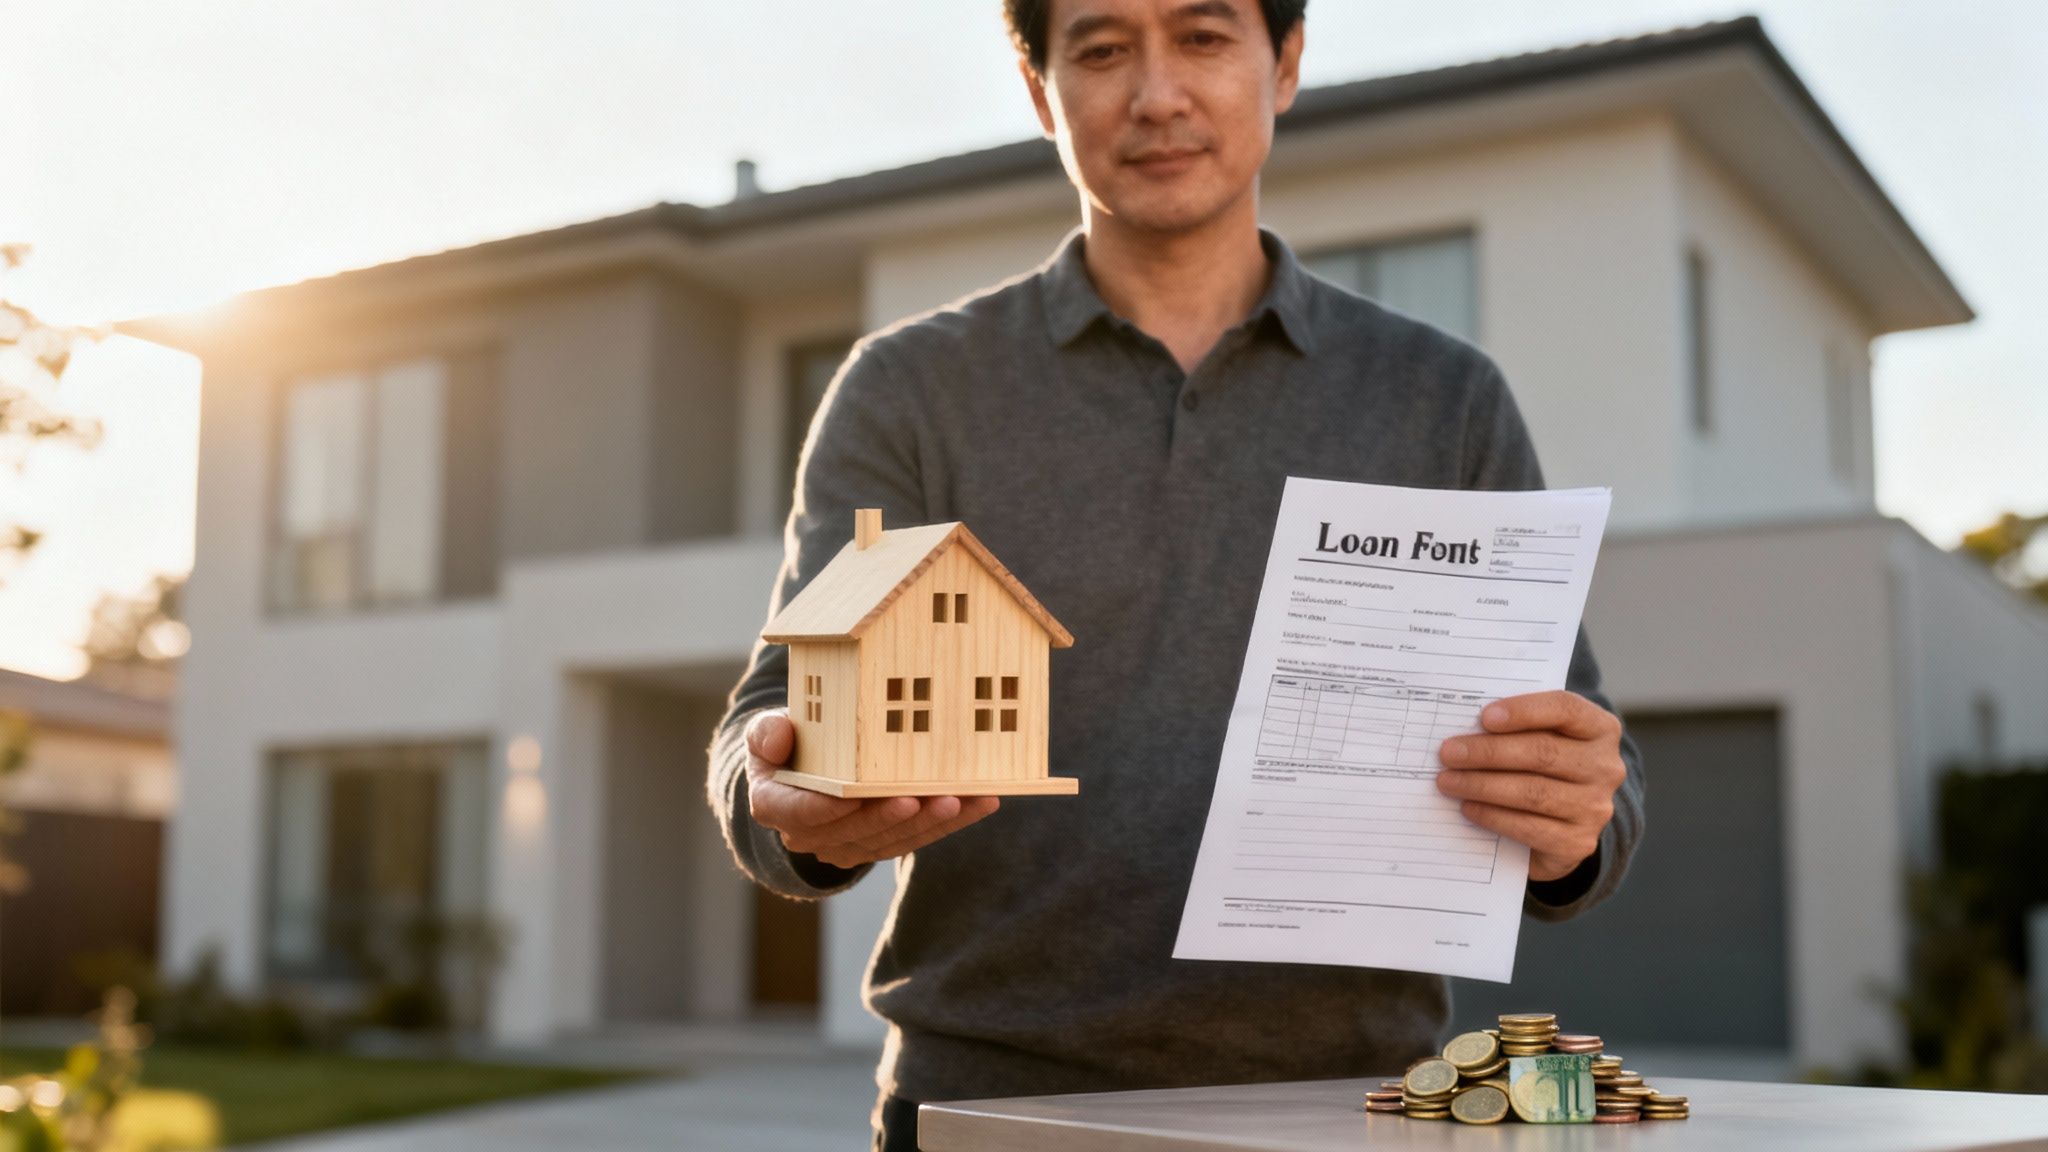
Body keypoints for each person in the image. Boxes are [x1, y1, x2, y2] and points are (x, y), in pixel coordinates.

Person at [704, 2, 1646, 1148]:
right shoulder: (909, 390)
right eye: (1100, 50)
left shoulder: (1441, 399)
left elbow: (1590, 769)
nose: (1155, 95)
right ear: (1040, 89)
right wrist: (786, 808)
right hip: (986, 1111)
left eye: (1202, 36)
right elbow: (769, 718)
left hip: (1353, 1115)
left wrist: (1574, 821)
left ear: (1284, 62)